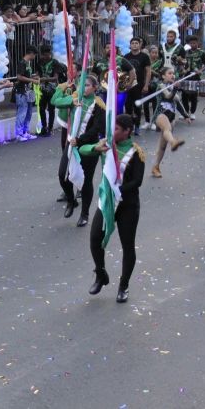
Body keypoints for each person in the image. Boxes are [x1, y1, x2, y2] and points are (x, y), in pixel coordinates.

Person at [81, 114, 145, 303]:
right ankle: (100, 273)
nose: (112, 131)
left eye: (116, 129)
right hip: (107, 201)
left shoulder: (136, 152)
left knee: (127, 245)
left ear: (127, 132)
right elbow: (83, 150)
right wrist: (95, 147)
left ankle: (123, 286)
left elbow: (137, 181)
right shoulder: (106, 146)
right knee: (94, 239)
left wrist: (118, 190)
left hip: (127, 204)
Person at [55, 75, 104, 227]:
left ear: (95, 87)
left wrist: (80, 140)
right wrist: (61, 88)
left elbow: (98, 128)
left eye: (88, 85)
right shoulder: (75, 98)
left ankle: (85, 213)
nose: (84, 88)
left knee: (86, 181)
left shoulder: (99, 104)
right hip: (71, 143)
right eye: (82, 85)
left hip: (88, 146)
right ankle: (71, 201)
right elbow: (55, 101)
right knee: (62, 175)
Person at [150, 67, 190, 178]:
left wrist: (186, 116)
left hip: (171, 116)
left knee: (162, 146)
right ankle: (173, 142)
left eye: (173, 73)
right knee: (167, 129)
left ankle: (156, 167)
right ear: (163, 76)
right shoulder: (161, 86)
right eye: (169, 73)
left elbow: (178, 104)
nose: (172, 75)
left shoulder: (173, 87)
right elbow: (168, 96)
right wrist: (175, 89)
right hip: (160, 114)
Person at [176, 35, 205, 119]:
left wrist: (201, 70)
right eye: (191, 43)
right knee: (184, 95)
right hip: (185, 76)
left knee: (193, 95)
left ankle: (193, 112)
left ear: (198, 43)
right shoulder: (185, 53)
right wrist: (182, 68)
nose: (193, 45)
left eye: (194, 43)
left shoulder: (201, 53)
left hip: (195, 76)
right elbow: (181, 63)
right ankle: (185, 112)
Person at [123, 37, 151, 135]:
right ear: (130, 45)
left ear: (140, 45)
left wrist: (146, 85)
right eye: (132, 43)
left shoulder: (144, 57)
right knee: (128, 107)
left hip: (139, 86)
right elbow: (122, 72)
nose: (134, 45)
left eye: (136, 43)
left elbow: (148, 71)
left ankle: (137, 126)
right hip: (128, 86)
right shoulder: (126, 57)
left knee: (137, 107)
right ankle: (129, 127)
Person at [13, 45, 40, 140]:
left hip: (28, 91)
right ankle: (19, 134)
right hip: (21, 91)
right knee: (22, 112)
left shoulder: (27, 63)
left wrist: (32, 77)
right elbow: (19, 77)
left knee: (28, 112)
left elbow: (25, 76)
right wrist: (32, 80)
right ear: (31, 53)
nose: (35, 57)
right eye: (35, 55)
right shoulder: (22, 63)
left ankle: (25, 132)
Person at [36, 44, 63, 138]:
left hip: (52, 89)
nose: (45, 57)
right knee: (41, 108)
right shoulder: (39, 62)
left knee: (51, 109)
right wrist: (37, 77)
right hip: (42, 88)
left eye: (46, 54)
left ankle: (50, 128)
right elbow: (38, 73)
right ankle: (44, 127)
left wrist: (44, 79)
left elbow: (55, 78)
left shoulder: (55, 62)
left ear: (49, 53)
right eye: (43, 55)